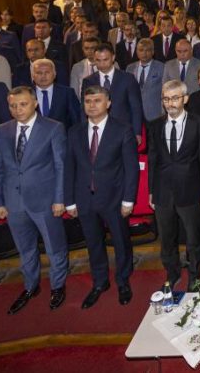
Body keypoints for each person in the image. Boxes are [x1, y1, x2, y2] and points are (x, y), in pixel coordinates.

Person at [0, 87, 69, 314]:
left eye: (23, 104)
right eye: (13, 105)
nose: (18, 109)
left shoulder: (53, 127)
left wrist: (59, 198)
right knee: (25, 250)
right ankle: (30, 286)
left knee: (54, 247)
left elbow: (60, 166)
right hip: (13, 201)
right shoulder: (1, 130)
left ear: (35, 103)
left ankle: (57, 286)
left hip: (45, 200)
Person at [65, 86, 140, 308]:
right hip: (84, 198)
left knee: (120, 241)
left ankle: (123, 280)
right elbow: (69, 168)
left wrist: (128, 200)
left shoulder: (122, 129)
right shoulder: (74, 132)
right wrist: (69, 201)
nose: (92, 105)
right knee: (93, 243)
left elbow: (131, 168)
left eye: (97, 100)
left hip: (114, 198)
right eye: (88, 101)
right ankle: (100, 282)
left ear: (108, 103)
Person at [147, 80, 200, 292]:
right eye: (166, 99)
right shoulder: (154, 125)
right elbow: (153, 160)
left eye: (175, 98)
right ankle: (172, 273)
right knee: (167, 239)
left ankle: (194, 276)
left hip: (191, 190)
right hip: (163, 191)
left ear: (185, 99)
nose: (170, 103)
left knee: (194, 238)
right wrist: (151, 191)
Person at [81, 43, 144, 135]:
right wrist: (84, 131)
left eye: (105, 60)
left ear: (113, 57)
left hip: (124, 130)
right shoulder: (88, 81)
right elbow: (84, 108)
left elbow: (136, 108)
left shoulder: (128, 79)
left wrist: (137, 132)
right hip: (97, 131)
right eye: (98, 60)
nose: (102, 64)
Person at [127, 40, 165, 123]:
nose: (144, 53)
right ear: (137, 51)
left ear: (153, 52)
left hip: (155, 114)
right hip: (134, 114)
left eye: (147, 50)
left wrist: (163, 112)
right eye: (141, 50)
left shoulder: (161, 67)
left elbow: (164, 91)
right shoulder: (130, 68)